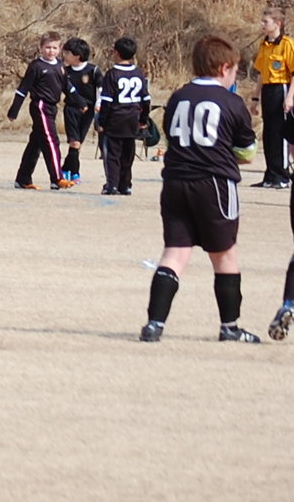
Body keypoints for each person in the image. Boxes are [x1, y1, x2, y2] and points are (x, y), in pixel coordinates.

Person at [141, 34, 261, 343]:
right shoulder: (232, 102)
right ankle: (229, 327)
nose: (235, 76)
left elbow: (173, 138)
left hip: (175, 182)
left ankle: (154, 324)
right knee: (224, 256)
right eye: (235, 70)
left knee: (175, 253)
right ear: (223, 68)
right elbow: (247, 153)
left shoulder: (178, 97)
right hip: (214, 184)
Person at [8, 31, 69, 190]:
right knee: (51, 140)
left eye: (54, 48)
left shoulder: (60, 65)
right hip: (40, 106)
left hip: (52, 107)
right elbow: (23, 89)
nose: (51, 51)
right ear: (40, 48)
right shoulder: (36, 66)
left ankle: (23, 179)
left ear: (60, 48)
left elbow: (67, 87)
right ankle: (57, 178)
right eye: (48, 47)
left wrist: (81, 102)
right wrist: (14, 110)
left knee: (36, 143)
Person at [95, 37, 152, 197]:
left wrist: (102, 121)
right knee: (128, 154)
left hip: (115, 119)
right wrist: (143, 119)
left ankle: (112, 185)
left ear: (116, 53)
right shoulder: (138, 73)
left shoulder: (112, 74)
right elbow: (146, 99)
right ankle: (125, 185)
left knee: (112, 154)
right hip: (132, 118)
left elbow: (106, 101)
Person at [252, 13, 294, 187]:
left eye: (266, 21)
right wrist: (255, 97)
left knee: (280, 132)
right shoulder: (264, 45)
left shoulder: (287, 44)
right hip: (268, 90)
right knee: (269, 133)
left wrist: (290, 97)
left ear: (277, 23)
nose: (262, 24)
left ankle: (282, 176)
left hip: (281, 88)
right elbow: (261, 74)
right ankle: (270, 175)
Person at [59, 37, 102, 184]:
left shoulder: (93, 70)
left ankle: (65, 168)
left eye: (67, 53)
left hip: (88, 111)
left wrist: (99, 103)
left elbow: (101, 88)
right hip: (72, 108)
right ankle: (75, 172)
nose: (64, 56)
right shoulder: (65, 71)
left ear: (77, 55)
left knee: (79, 144)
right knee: (74, 142)